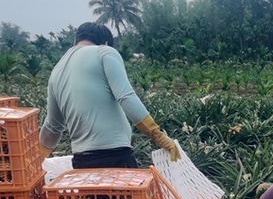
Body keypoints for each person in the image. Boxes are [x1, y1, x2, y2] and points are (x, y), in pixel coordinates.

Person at [39, 22, 180, 169]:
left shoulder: (56, 71)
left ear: (75, 42)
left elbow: (53, 126)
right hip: (115, 157)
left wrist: (38, 157)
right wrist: (158, 135)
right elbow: (126, 96)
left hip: (81, 162)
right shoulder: (105, 52)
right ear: (106, 43)